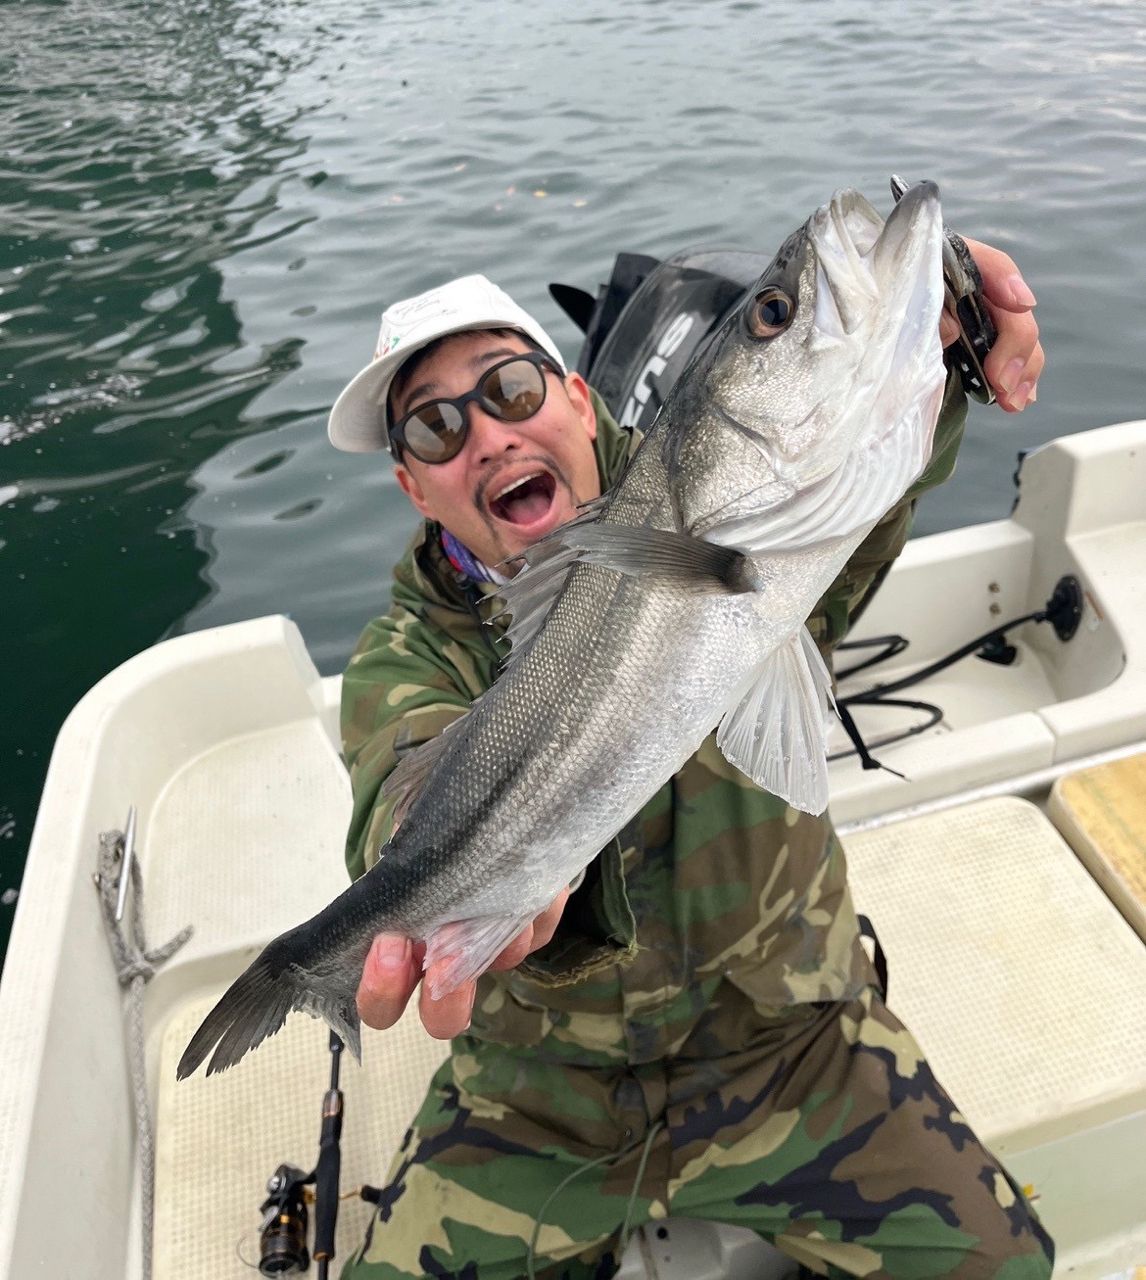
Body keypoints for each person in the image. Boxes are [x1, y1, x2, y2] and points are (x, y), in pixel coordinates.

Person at [328, 240, 1051, 1279]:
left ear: (580, 401)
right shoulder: (408, 652)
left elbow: (859, 462)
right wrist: (475, 877)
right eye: (437, 424)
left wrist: (951, 334)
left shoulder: (732, 512)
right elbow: (398, 779)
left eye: (512, 386)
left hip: (792, 1043)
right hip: (540, 1093)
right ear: (413, 484)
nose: (486, 432)